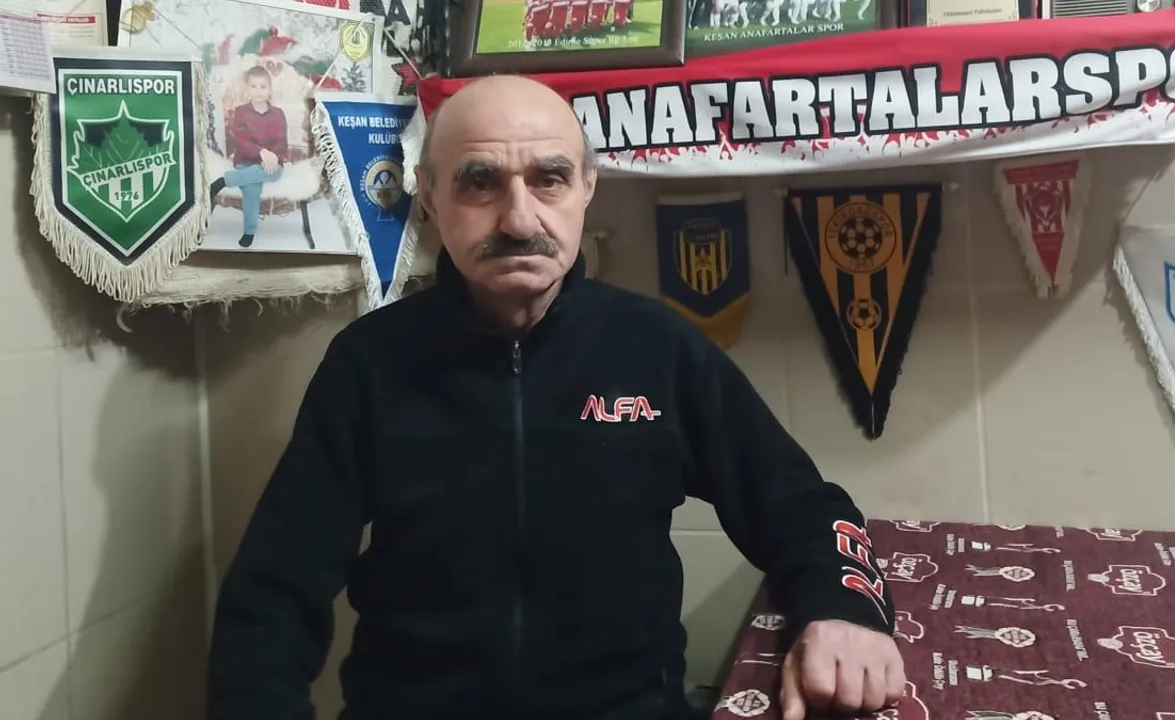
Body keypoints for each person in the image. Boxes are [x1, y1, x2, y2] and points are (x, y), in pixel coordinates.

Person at [207, 75, 904, 720]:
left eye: (549, 179)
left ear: (587, 188)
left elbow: (799, 506)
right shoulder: (368, 363)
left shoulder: (656, 347)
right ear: (429, 196)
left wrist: (844, 611)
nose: (519, 219)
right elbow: (273, 593)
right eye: (480, 182)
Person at [209, 65, 287, 248]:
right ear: (247, 89)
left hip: (272, 164)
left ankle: (225, 181)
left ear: (270, 90)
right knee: (251, 187)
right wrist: (262, 152)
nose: (258, 91)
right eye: (253, 86)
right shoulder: (241, 112)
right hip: (246, 161)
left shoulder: (278, 114)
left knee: (273, 173)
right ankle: (250, 231)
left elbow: (281, 141)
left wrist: (273, 156)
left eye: (263, 86)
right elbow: (241, 141)